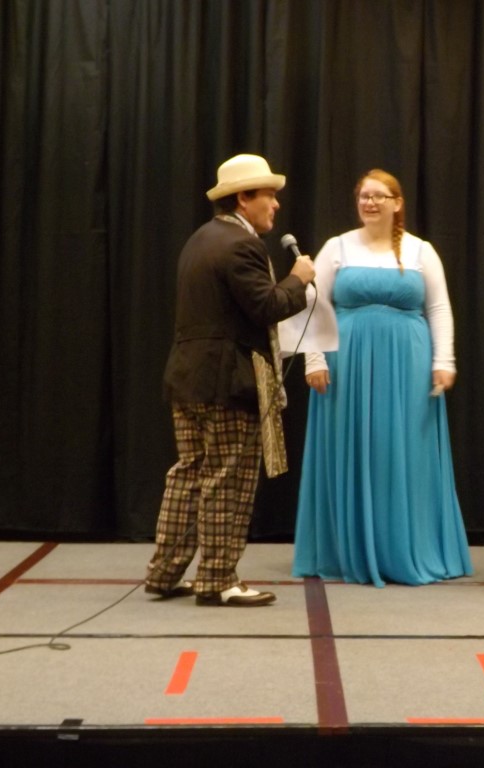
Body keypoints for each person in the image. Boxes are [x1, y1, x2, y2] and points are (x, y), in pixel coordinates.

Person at [144, 154, 316, 607]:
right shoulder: (242, 245)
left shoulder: (200, 239)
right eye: (269, 196)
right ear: (243, 198)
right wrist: (298, 279)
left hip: (188, 378)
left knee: (189, 474)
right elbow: (267, 307)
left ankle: (164, 573)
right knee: (228, 479)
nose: (276, 205)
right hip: (227, 382)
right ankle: (218, 579)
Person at [290, 169, 472, 586]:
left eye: (378, 196)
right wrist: (313, 359)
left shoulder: (421, 251)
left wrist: (444, 359)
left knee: (402, 450)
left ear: (397, 203)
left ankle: (405, 547)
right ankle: (346, 549)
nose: (369, 203)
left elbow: (439, 308)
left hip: (408, 364)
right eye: (363, 196)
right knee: (349, 444)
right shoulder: (337, 247)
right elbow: (312, 301)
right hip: (345, 363)